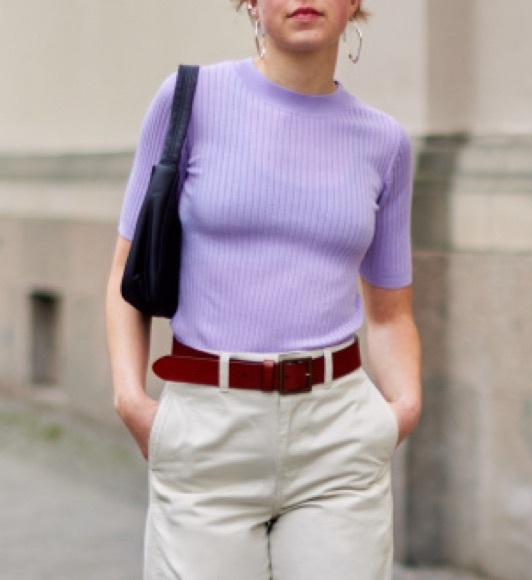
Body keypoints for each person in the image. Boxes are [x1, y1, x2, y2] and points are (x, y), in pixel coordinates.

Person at [106, 0, 422, 578]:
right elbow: (127, 272)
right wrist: (132, 401)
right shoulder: (190, 101)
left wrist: (400, 410)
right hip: (208, 428)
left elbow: (390, 313)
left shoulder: (385, 142)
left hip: (337, 436)